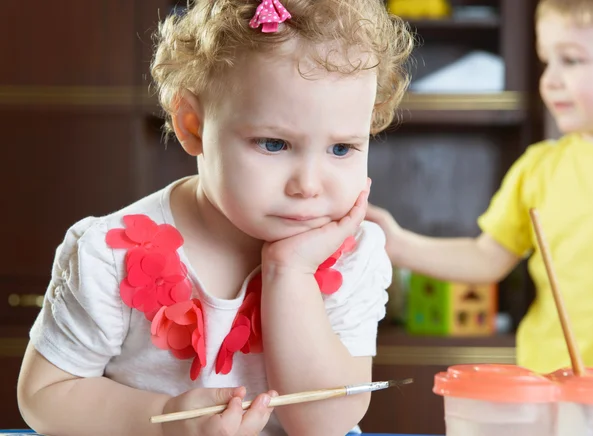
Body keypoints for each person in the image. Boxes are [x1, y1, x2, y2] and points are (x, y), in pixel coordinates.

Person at [16, 0, 413, 435]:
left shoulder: (354, 256)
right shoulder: (112, 253)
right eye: (274, 144)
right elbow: (46, 393)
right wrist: (167, 423)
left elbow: (322, 422)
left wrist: (291, 271)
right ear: (192, 125)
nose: (309, 185)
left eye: (342, 149)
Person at [367, 0, 593, 375]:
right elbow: (487, 258)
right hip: (551, 379)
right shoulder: (539, 168)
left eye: (571, 60)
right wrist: (398, 244)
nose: (550, 79)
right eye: (546, 60)